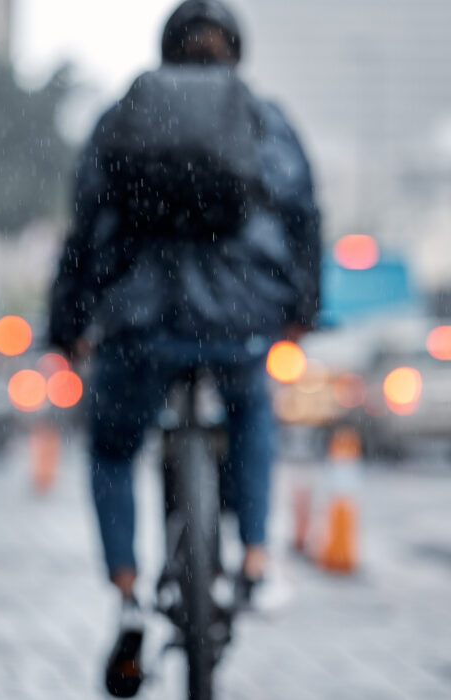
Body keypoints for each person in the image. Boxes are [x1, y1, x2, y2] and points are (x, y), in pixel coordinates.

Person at [46, 1, 321, 696]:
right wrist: (300, 311)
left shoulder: (123, 115)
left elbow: (85, 227)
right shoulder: (267, 119)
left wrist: (68, 324)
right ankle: (256, 560)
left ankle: (129, 594)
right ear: (236, 52)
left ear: (166, 51)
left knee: (112, 449)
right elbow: (302, 220)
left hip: (140, 324)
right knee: (252, 410)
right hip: (237, 322)